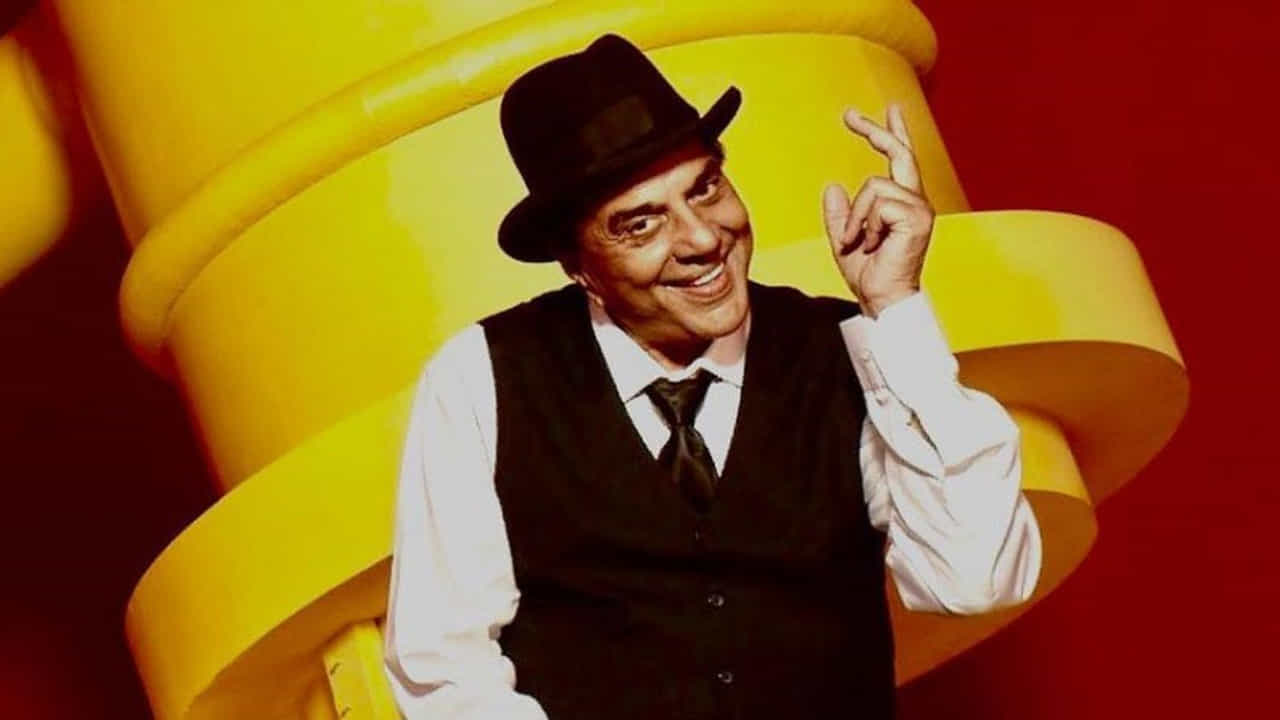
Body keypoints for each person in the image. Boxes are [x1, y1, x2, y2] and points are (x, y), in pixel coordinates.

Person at [382, 33, 1041, 719]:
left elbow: (974, 580)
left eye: (705, 188)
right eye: (641, 224)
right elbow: (443, 668)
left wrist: (897, 309)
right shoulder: (481, 378)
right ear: (579, 267)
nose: (701, 238)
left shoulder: (850, 346)